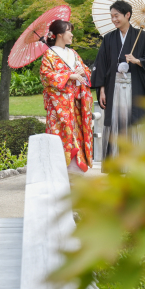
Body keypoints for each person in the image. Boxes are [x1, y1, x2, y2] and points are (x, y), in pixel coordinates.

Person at [90, 0, 145, 160]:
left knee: (135, 122)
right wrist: (101, 90)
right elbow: (101, 64)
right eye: (112, 16)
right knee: (115, 122)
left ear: (127, 15)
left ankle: (136, 161)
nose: (114, 19)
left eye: (117, 16)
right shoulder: (109, 38)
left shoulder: (141, 36)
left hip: (135, 87)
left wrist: (137, 61)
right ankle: (116, 162)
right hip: (114, 88)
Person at [39, 19, 94, 173]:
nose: (72, 34)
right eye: (69, 31)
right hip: (59, 106)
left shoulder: (73, 53)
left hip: (75, 103)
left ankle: (76, 167)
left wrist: (83, 73)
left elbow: (86, 72)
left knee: (76, 134)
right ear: (60, 34)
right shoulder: (49, 55)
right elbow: (46, 77)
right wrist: (70, 75)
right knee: (59, 135)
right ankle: (57, 170)